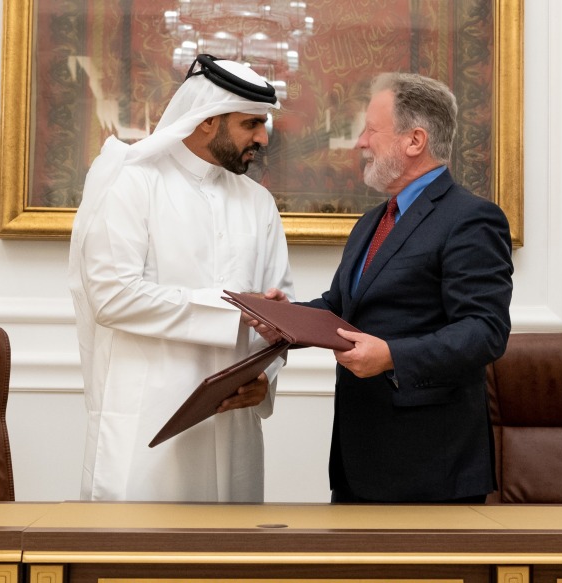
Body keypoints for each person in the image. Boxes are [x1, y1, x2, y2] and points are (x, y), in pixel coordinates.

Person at [68, 55, 292, 502]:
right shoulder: (132, 183)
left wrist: (265, 378)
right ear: (207, 120)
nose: (263, 138)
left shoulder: (258, 202)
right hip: (148, 426)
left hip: (233, 427)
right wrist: (233, 309)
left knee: (230, 545)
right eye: (251, 123)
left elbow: (278, 306)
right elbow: (111, 297)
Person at [292, 73, 513, 503]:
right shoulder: (371, 222)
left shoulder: (471, 218)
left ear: (415, 141)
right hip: (358, 462)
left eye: (371, 130)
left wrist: (391, 356)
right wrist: (280, 318)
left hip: (430, 469)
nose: (360, 142)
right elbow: (339, 308)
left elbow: (484, 331)